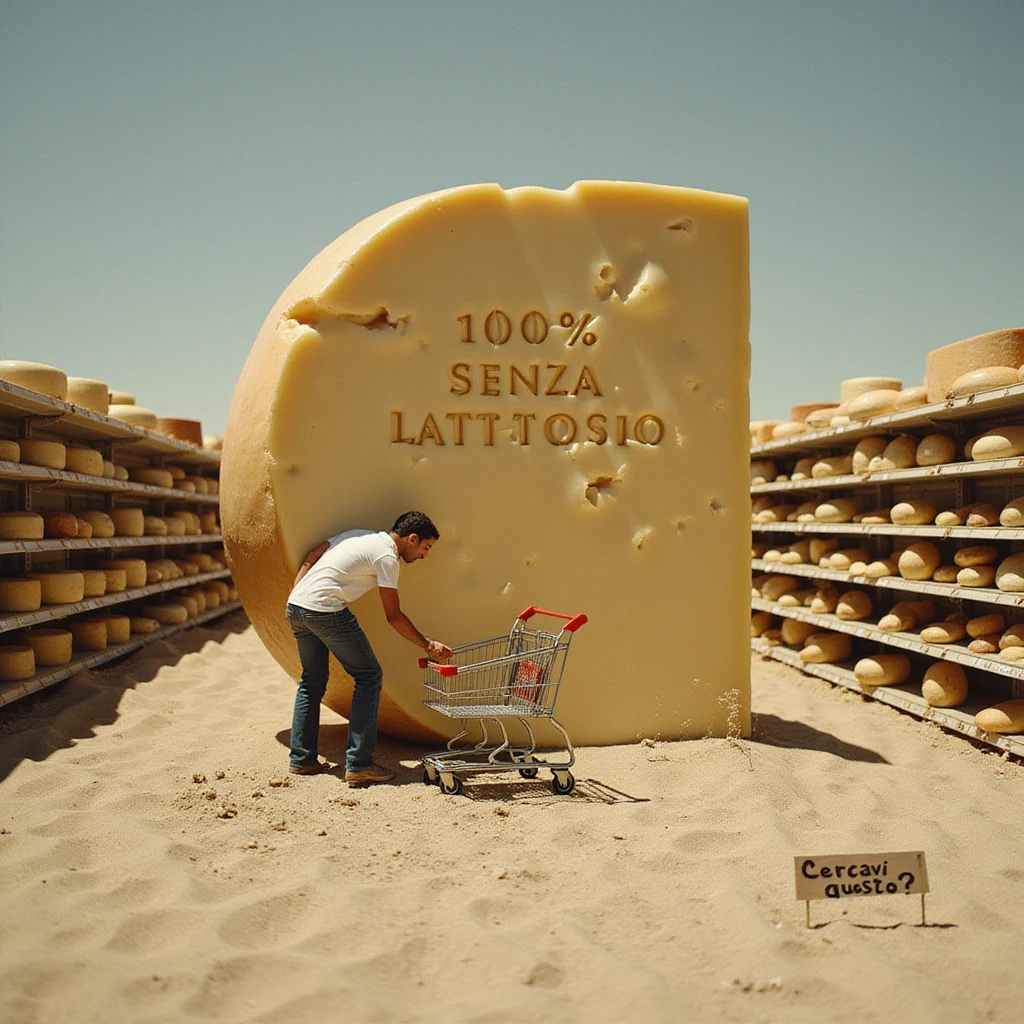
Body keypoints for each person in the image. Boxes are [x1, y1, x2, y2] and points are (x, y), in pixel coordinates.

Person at [285, 510, 452, 786]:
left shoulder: (359, 535)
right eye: (426, 547)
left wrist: (297, 595)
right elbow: (393, 616)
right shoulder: (387, 557)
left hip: (297, 607)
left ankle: (302, 759)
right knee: (369, 676)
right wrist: (427, 645)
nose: (425, 554)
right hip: (327, 611)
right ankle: (360, 764)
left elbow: (312, 554)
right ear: (412, 539)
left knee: (311, 682)